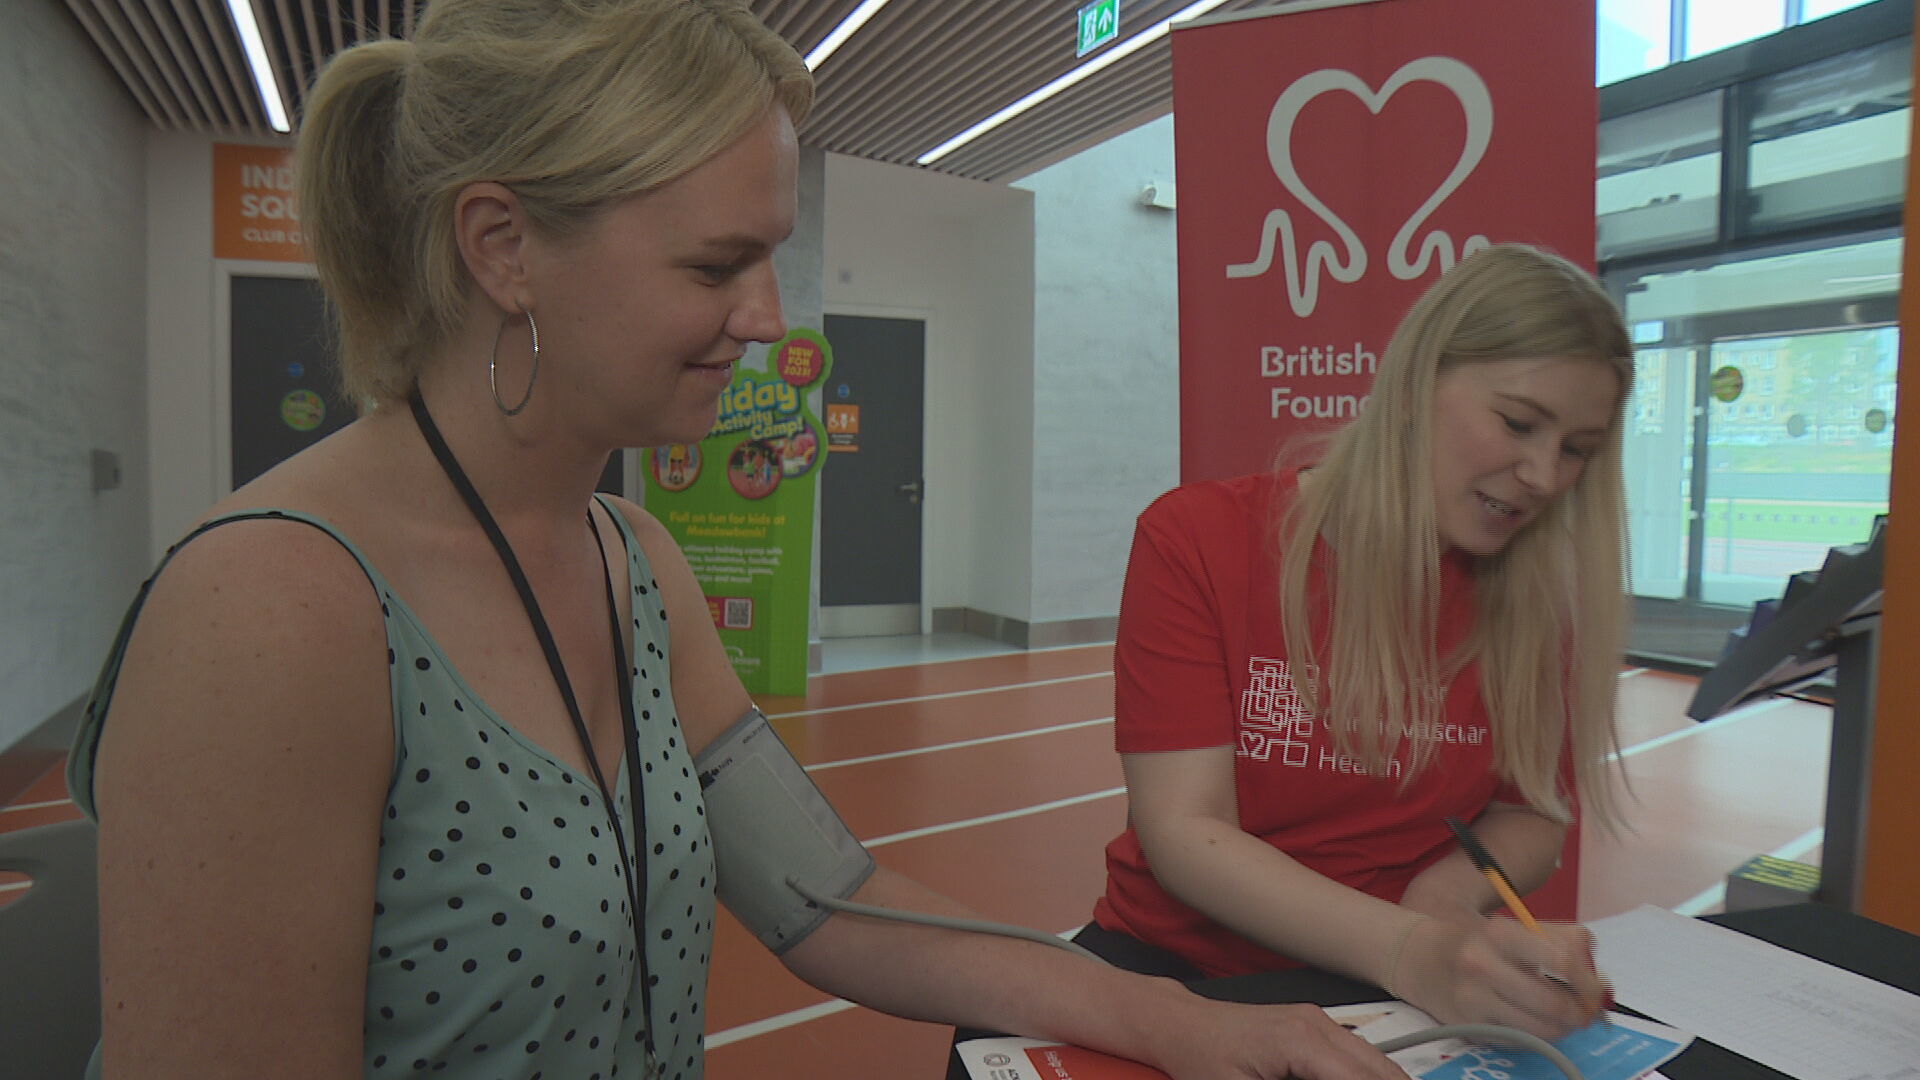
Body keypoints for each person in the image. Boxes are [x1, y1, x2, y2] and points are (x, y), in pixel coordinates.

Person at [69, 2, 1408, 1078]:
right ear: (503, 247)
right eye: (716, 267)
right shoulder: (269, 609)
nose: (770, 318)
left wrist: (1182, 1021)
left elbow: (832, 898)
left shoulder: (636, 563)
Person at [1082, 244, 1633, 1044]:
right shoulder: (1197, 538)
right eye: (1518, 422)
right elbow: (1185, 833)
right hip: (1174, 976)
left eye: (1578, 447)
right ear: (1415, 384)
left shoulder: (1541, 599)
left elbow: (1530, 813)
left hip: (1389, 986)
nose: (1545, 476)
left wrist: (1442, 900)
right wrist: (1414, 949)